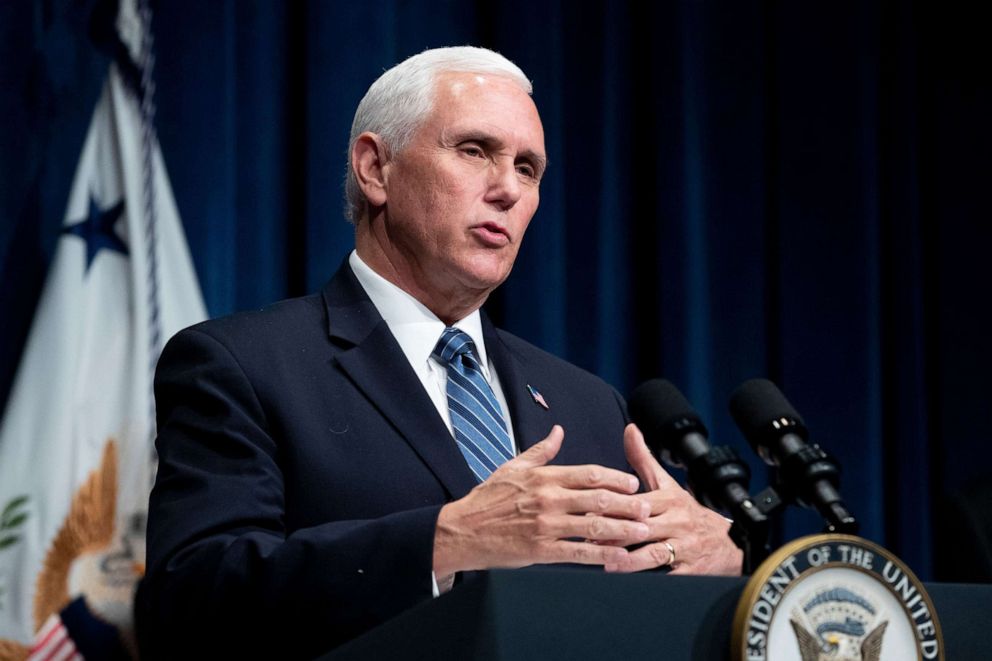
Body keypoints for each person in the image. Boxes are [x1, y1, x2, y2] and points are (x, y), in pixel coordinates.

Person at [136, 46, 741, 659]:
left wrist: (719, 570)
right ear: (375, 169)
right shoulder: (242, 365)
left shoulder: (589, 405)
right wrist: (444, 540)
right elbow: (190, 602)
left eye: (528, 168)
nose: (507, 189)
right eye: (475, 151)